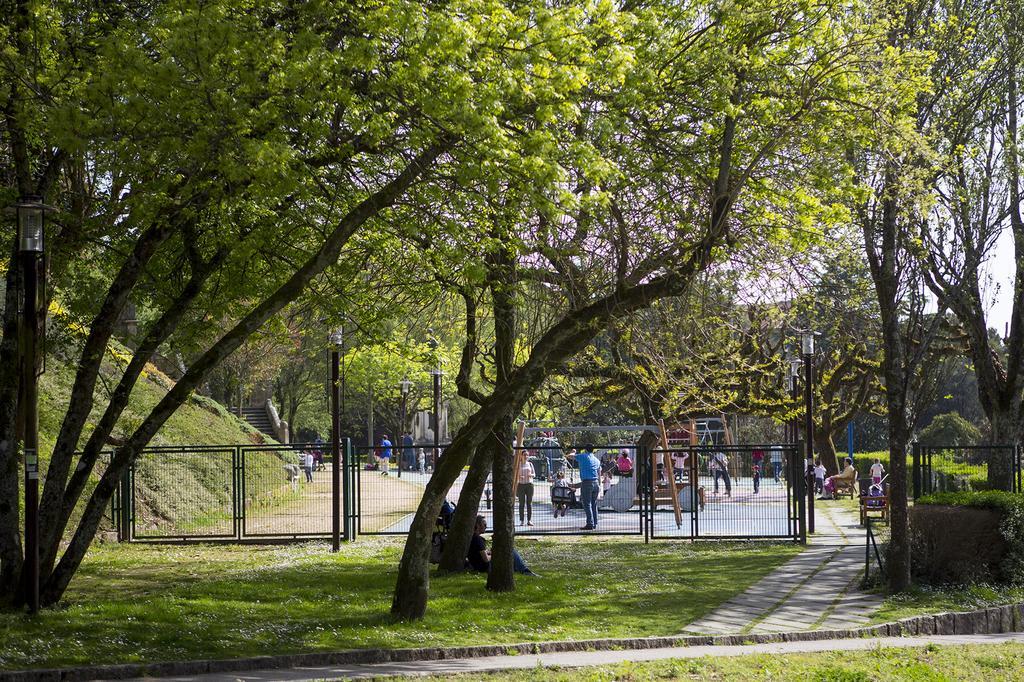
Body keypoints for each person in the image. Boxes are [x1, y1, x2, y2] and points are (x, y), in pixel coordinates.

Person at [466, 515, 537, 575]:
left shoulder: (472, 538)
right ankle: (525, 571)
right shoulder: (477, 539)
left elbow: (478, 553)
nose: (486, 527)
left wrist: (488, 552)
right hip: (485, 567)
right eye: (484, 525)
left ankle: (520, 569)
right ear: (478, 525)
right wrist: (494, 554)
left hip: (478, 566)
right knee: (511, 551)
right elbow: (486, 559)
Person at [570, 448, 601, 530]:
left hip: (587, 482)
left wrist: (573, 452)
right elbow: (599, 473)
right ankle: (594, 522)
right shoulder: (597, 460)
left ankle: (589, 523)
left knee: (586, 503)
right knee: (594, 503)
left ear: (586, 450)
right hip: (596, 482)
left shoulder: (583, 456)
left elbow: (570, 456)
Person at [516, 456, 536, 526]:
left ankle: (529, 520)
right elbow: (515, 474)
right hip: (521, 485)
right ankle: (521, 520)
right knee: (521, 504)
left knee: (529, 503)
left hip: (529, 485)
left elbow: (534, 474)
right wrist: (519, 476)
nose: (526, 456)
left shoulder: (530, 464)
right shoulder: (518, 464)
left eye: (527, 455)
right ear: (521, 456)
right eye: (524, 454)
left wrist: (531, 475)